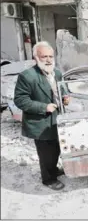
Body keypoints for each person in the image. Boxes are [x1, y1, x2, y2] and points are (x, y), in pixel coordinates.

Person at [14, 41, 70, 190]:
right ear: (36, 58)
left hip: (57, 120)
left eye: (51, 56)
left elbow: (63, 90)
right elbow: (20, 100)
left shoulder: (57, 72)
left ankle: (54, 170)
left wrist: (65, 97)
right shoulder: (27, 76)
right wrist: (43, 107)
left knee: (57, 148)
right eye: (44, 56)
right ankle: (48, 179)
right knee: (46, 154)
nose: (48, 59)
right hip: (39, 122)